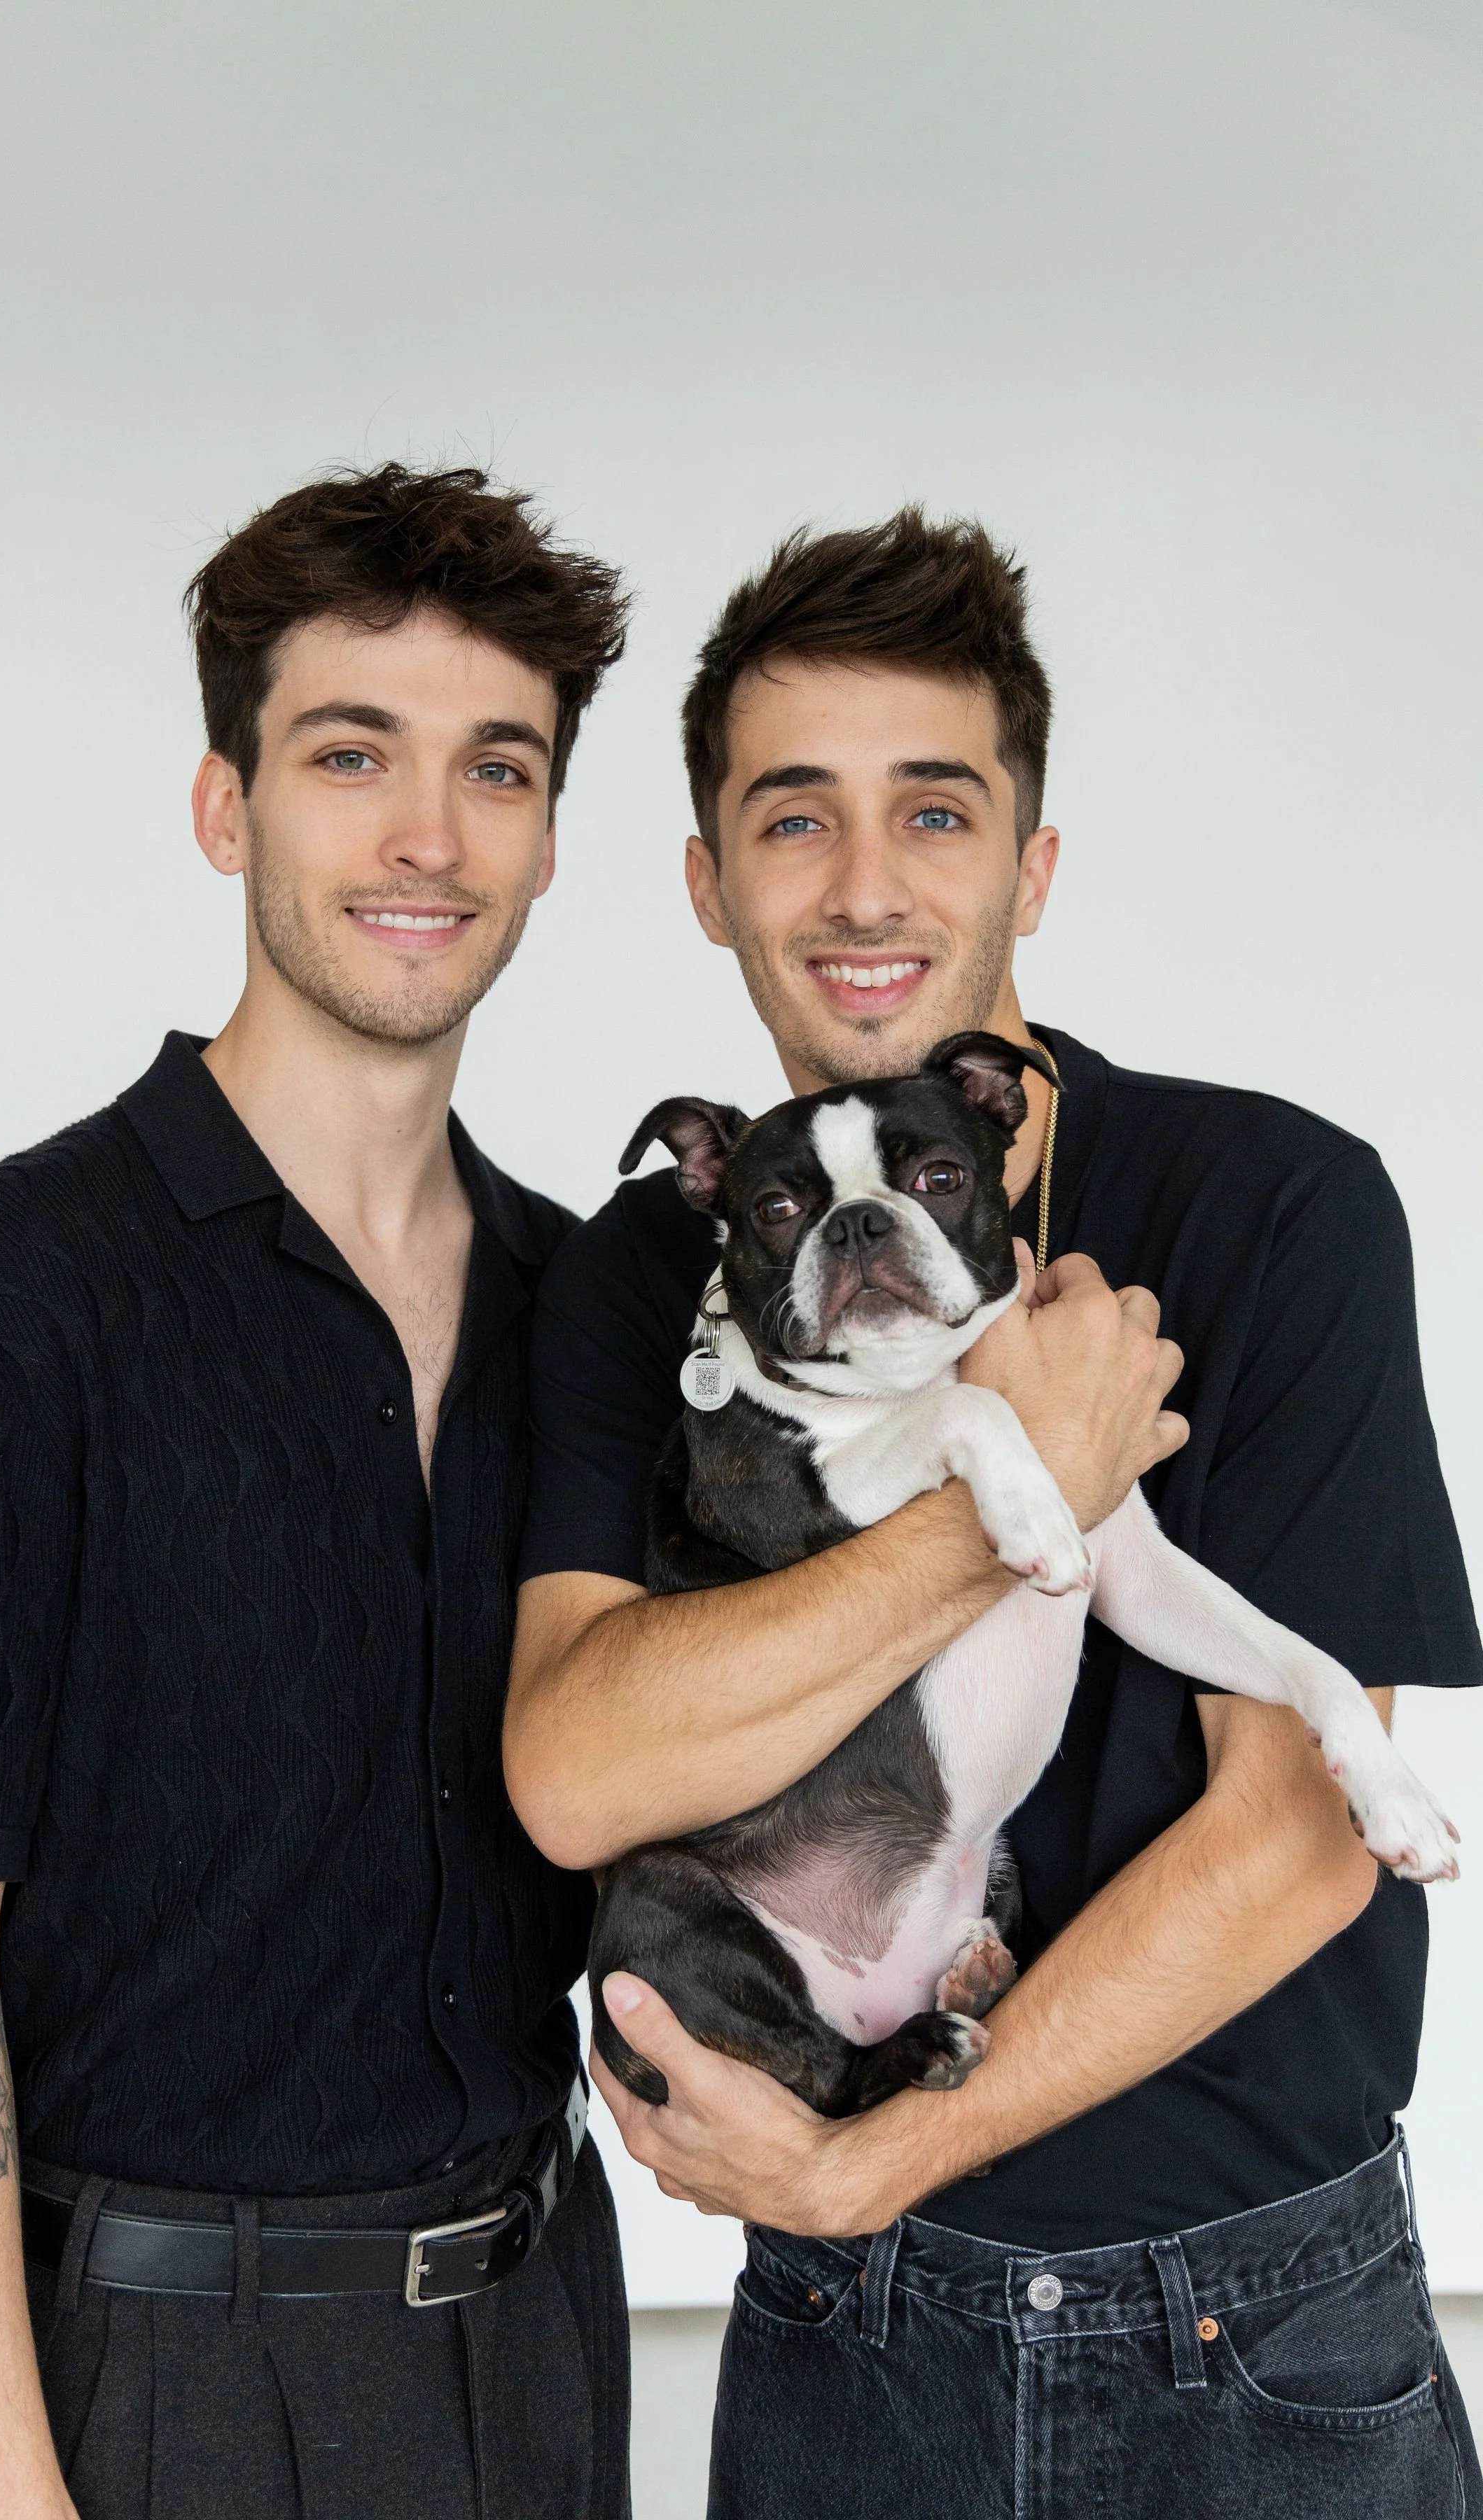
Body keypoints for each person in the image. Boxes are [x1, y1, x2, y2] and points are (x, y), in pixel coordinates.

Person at [504, 510, 1483, 2516]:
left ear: (1033, 865)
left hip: (1255, 2324)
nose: (866, 883)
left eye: (935, 813)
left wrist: (873, 2161)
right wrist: (1002, 1486)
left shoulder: (1274, 1203)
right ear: (706, 882)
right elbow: (582, 1777)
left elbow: (1306, 1836)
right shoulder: (641, 1273)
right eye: (794, 819)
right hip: (850, 2326)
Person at [0, 463, 632, 2520]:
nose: (428, 836)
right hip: (163, 2381)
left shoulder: (584, 1302)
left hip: (545, 2338)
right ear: (223, 806)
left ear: (548, 837)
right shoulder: (19, 1281)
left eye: (496, 768)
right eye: (351, 756)